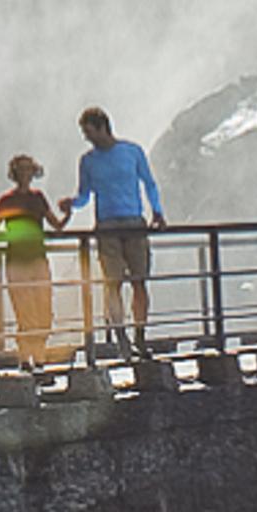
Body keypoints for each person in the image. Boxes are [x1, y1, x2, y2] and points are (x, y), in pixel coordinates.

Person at [61, 106, 165, 355]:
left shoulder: (132, 152)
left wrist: (158, 212)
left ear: (102, 127)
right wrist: (72, 204)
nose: (87, 138)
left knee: (139, 282)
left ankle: (139, 335)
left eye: (89, 132)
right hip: (107, 226)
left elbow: (149, 183)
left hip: (133, 222)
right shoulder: (88, 161)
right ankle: (121, 336)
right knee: (114, 283)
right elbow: (85, 194)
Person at [0, 156, 68, 369]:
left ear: (33, 172)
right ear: (15, 174)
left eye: (28, 170)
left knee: (44, 310)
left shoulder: (38, 198)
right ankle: (29, 360)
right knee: (24, 311)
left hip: (37, 259)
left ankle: (38, 357)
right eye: (21, 170)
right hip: (16, 261)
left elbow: (56, 225)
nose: (25, 174)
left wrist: (68, 213)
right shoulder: (6, 201)